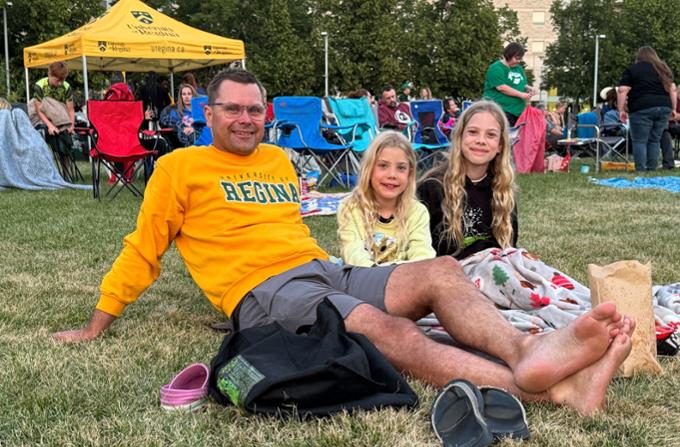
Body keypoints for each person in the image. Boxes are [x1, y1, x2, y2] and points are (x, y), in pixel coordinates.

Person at [53, 69, 634, 416]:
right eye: (233, 108)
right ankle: (544, 392)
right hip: (263, 291)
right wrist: (95, 324)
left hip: (321, 266)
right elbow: (143, 249)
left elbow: (295, 228)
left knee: (440, 274)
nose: (247, 118)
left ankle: (524, 353)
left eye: (257, 109)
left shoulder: (279, 159)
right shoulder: (179, 167)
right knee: (380, 328)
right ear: (209, 111)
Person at [418, 101, 518, 259]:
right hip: (448, 275)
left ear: (500, 145)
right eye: (473, 132)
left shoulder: (502, 190)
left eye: (491, 135)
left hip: (496, 273)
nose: (481, 140)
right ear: (459, 137)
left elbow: (511, 248)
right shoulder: (432, 187)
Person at [337, 131, 436, 267]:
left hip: (403, 278)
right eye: (383, 166)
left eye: (401, 168)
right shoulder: (350, 207)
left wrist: (405, 273)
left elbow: (422, 252)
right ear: (369, 169)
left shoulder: (417, 212)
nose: (392, 175)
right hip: (361, 277)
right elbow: (352, 251)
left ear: (410, 173)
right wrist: (377, 274)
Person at [617, 46, 676, 171]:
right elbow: (672, 89)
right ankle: (651, 169)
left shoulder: (633, 69)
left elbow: (623, 90)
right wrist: (674, 109)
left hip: (641, 107)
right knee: (655, 140)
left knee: (640, 140)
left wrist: (621, 110)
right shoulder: (663, 69)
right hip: (664, 106)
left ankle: (641, 170)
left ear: (638, 57)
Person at [483, 42, 537, 127]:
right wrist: (521, 95)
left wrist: (529, 88)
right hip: (501, 111)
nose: (518, 61)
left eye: (520, 59)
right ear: (509, 54)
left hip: (518, 112)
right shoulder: (496, 68)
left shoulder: (518, 69)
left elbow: (523, 84)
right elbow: (501, 87)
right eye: (516, 58)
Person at [31, 61, 76, 136]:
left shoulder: (66, 87)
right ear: (49, 75)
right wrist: (50, 126)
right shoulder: (39, 86)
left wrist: (71, 125)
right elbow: (38, 110)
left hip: (57, 112)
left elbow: (70, 109)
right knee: (44, 101)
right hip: (39, 112)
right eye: (57, 80)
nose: (60, 83)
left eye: (63, 80)